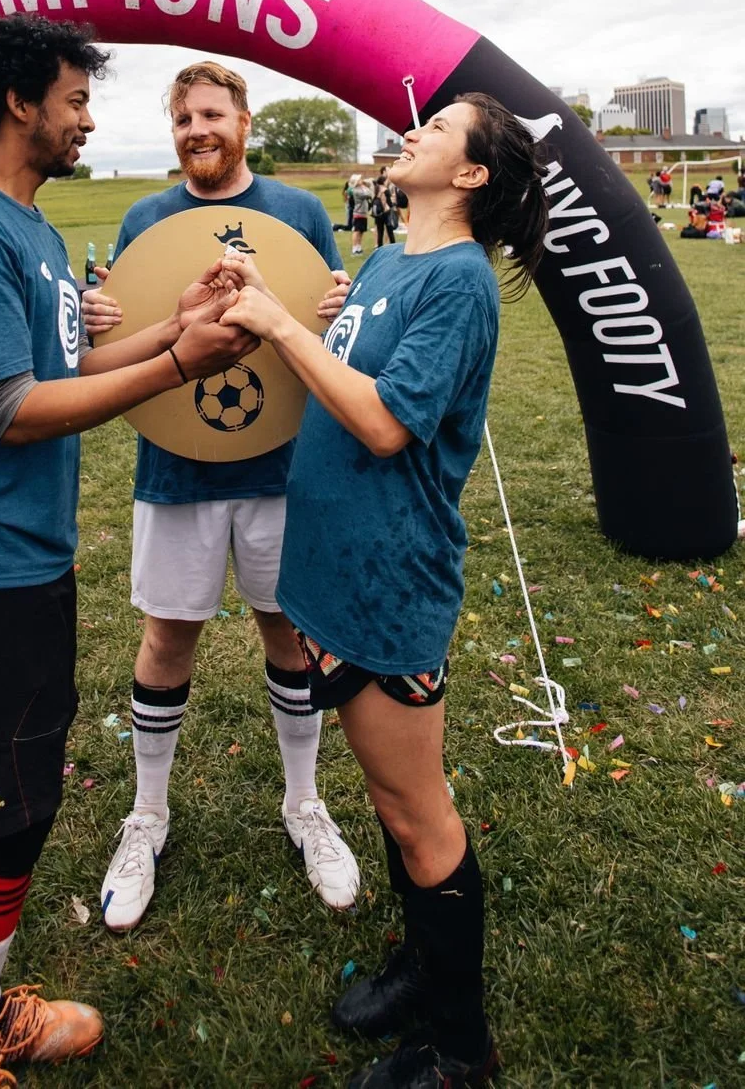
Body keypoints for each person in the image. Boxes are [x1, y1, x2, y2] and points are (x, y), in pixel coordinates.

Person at [0, 17, 257, 1089]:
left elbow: (70, 356)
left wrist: (167, 327)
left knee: (18, 814)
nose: (89, 118)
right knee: (1, 832)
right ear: (21, 105)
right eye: (76, 99)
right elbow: (11, 407)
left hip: (20, 564)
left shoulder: (29, 226)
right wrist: (182, 360)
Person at [217, 93, 550, 1088]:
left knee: (417, 814)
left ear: (472, 176)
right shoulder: (391, 259)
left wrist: (280, 325)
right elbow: (352, 367)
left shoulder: (459, 282)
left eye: (440, 130)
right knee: (390, 800)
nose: (416, 133)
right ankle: (421, 964)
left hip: (388, 580)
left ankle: (457, 1051)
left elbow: (384, 424)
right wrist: (306, 317)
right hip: (336, 570)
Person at [82, 60, 360, 933]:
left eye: (212, 113)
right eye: (183, 118)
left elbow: (333, 335)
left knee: (287, 628)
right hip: (177, 467)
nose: (197, 129)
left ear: (244, 121)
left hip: (283, 466)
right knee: (167, 636)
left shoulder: (300, 213)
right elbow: (117, 344)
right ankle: (148, 816)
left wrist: (343, 304)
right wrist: (94, 320)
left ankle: (305, 803)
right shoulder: (144, 219)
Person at [351, 177, 374, 254]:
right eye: (359, 179)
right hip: (358, 213)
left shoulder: (361, 188)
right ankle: (354, 248)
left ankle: (359, 247)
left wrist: (365, 183)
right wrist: (364, 186)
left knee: (361, 231)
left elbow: (370, 184)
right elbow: (368, 194)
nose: (361, 180)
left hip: (363, 213)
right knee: (357, 231)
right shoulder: (356, 190)